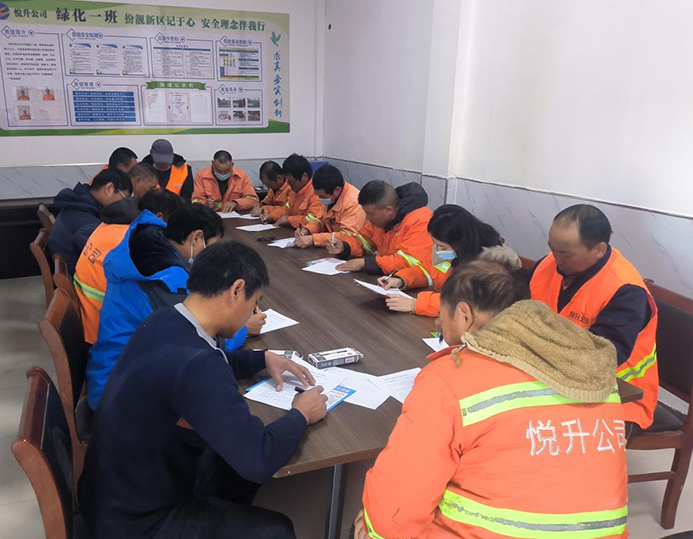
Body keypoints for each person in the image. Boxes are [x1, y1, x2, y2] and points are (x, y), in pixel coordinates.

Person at [354, 261, 628, 539]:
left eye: (441, 314)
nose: (438, 323)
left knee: (375, 524)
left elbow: (396, 509)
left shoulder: (450, 378)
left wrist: (373, 525)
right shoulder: (591, 372)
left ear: (464, 315)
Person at [79, 241, 328, 539]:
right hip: (136, 522)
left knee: (231, 462)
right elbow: (259, 458)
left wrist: (262, 358)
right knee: (277, 529)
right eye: (254, 302)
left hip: (109, 493)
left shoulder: (166, 319)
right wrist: (301, 414)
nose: (253, 311)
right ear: (236, 290)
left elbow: (206, 361)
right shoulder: (197, 364)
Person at [86, 204, 265, 410]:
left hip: (121, 372)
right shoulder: (163, 278)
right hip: (118, 396)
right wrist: (243, 328)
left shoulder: (149, 249)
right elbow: (200, 342)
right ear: (196, 238)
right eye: (212, 247)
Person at [529, 204, 658, 430]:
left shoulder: (625, 290)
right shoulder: (547, 265)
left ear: (599, 249)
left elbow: (603, 357)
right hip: (558, 377)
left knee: (538, 429)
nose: (556, 259)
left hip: (619, 395)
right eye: (552, 249)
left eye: (566, 254)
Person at [75, 190, 184, 344]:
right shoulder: (137, 240)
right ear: (159, 217)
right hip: (106, 333)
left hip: (92, 318)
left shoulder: (114, 224)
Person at [379, 204, 521, 316]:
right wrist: (401, 279)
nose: (438, 250)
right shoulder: (449, 248)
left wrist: (416, 305)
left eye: (442, 247)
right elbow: (428, 270)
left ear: (461, 242)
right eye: (436, 244)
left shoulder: (492, 261)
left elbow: (465, 302)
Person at [327, 180, 433, 275]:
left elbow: (409, 263)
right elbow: (362, 240)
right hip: (387, 280)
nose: (367, 218)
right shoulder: (382, 220)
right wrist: (344, 247)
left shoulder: (421, 221)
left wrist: (366, 263)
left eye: (370, 213)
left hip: (411, 286)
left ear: (388, 210)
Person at [49, 169, 132, 274]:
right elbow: (108, 258)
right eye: (124, 198)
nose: (124, 204)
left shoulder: (79, 204)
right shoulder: (86, 223)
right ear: (109, 188)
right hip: (81, 277)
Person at [294, 164, 366, 249]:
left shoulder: (353, 202)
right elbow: (320, 220)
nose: (320, 199)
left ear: (337, 190)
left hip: (355, 251)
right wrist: (306, 230)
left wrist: (314, 239)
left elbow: (347, 236)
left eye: (322, 196)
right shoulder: (330, 197)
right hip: (333, 248)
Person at [260, 154, 323, 230]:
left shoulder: (317, 192)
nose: (289, 185)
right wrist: (272, 216)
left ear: (304, 176)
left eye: (291, 182)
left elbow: (313, 220)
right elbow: (287, 209)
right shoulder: (295, 189)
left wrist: (288, 220)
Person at [192, 150, 259, 212]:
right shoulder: (201, 176)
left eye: (226, 170)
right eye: (218, 170)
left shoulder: (242, 176)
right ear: (212, 163)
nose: (222, 174)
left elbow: (253, 200)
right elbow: (195, 201)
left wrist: (236, 203)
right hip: (211, 215)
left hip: (233, 216)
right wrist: (205, 204)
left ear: (232, 164)